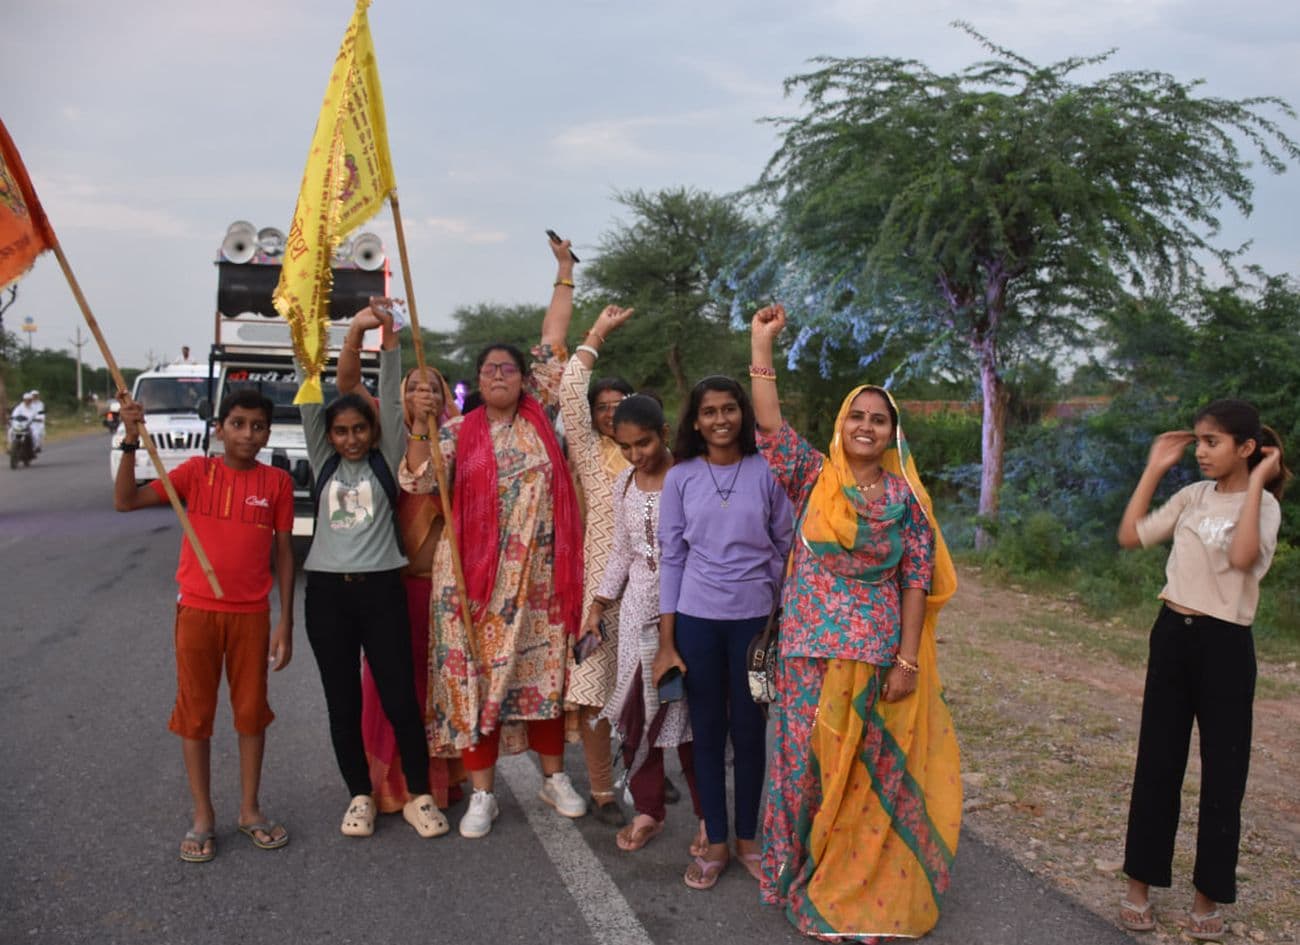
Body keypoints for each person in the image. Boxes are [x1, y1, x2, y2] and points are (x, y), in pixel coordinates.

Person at [751, 304, 962, 940]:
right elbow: (768, 425)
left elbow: (916, 581)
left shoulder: (906, 501)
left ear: (892, 434)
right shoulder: (812, 477)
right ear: (841, 425)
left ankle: (846, 884)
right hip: (806, 654)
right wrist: (761, 344)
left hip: (871, 661)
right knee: (799, 767)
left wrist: (906, 660)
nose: (866, 427)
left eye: (879, 420)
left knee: (859, 778)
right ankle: (792, 873)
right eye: (857, 417)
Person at [401, 235, 587, 839]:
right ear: (477, 382)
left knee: (544, 678)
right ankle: (482, 793)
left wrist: (563, 273)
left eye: (508, 369)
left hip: (537, 581)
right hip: (472, 587)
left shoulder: (542, 416)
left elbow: (553, 339)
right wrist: (420, 421)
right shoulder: (455, 432)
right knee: (474, 679)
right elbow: (419, 477)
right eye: (488, 370)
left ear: (524, 379)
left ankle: (554, 776)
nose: (499, 375)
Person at [1116, 399, 1289, 942]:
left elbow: (1240, 559)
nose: (1202, 452)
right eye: (1199, 441)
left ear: (1246, 448)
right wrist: (1154, 470)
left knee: (1223, 776)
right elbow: (1131, 535)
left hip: (1225, 645)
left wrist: (1259, 481)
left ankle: (1207, 898)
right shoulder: (1191, 496)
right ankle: (1139, 888)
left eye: (1213, 442)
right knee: (1157, 765)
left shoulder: (1264, 508)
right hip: (1172, 635)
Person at [113, 388, 294, 863]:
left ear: (267, 432)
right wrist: (132, 440)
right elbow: (126, 501)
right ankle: (202, 816)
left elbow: (283, 554)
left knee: (252, 713)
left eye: (257, 426)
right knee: (196, 714)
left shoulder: (276, 483)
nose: (247, 434)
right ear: (220, 429)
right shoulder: (197, 472)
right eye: (237, 423)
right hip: (196, 612)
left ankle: (250, 810)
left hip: (251, 616)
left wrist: (285, 621)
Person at [298, 300, 448, 841]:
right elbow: (309, 391)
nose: (351, 438)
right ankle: (359, 794)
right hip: (327, 596)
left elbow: (388, 385)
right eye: (340, 431)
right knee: (341, 698)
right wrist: (320, 335)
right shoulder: (325, 462)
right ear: (330, 435)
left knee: (399, 696)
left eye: (359, 429)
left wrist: (382, 331)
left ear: (371, 429)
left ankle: (419, 796)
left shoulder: (384, 456)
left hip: (382, 589)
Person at [652, 374, 794, 890]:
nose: (720, 419)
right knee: (707, 730)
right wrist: (667, 642)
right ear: (695, 420)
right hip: (696, 622)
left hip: (756, 627)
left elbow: (785, 548)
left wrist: (782, 620)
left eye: (729, 409)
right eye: (708, 411)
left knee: (753, 731)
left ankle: (748, 839)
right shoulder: (681, 476)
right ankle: (715, 840)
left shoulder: (768, 471)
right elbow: (673, 558)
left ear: (743, 414)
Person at [334, 334, 467, 815]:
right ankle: (387, 786)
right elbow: (347, 383)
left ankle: (442, 780)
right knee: (393, 686)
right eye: (414, 387)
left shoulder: (460, 442)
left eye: (433, 386)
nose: (423, 394)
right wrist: (365, 334)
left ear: (446, 396)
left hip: (447, 590)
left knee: (439, 686)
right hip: (394, 586)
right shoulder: (389, 441)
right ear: (400, 398)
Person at [589, 394, 705, 853]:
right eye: (626, 447)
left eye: (644, 443)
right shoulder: (624, 485)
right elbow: (622, 550)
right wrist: (600, 603)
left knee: (693, 718)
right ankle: (648, 811)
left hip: (690, 607)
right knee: (640, 716)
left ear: (664, 433)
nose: (636, 455)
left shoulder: (691, 476)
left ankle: (706, 818)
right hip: (637, 610)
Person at [559, 303, 637, 826]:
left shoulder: (654, 456)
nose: (610, 412)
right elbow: (568, 391)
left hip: (648, 591)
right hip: (596, 597)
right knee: (592, 691)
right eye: (602, 406)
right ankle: (604, 790)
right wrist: (597, 334)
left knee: (641, 693)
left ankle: (643, 780)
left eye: (620, 404)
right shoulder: (589, 453)